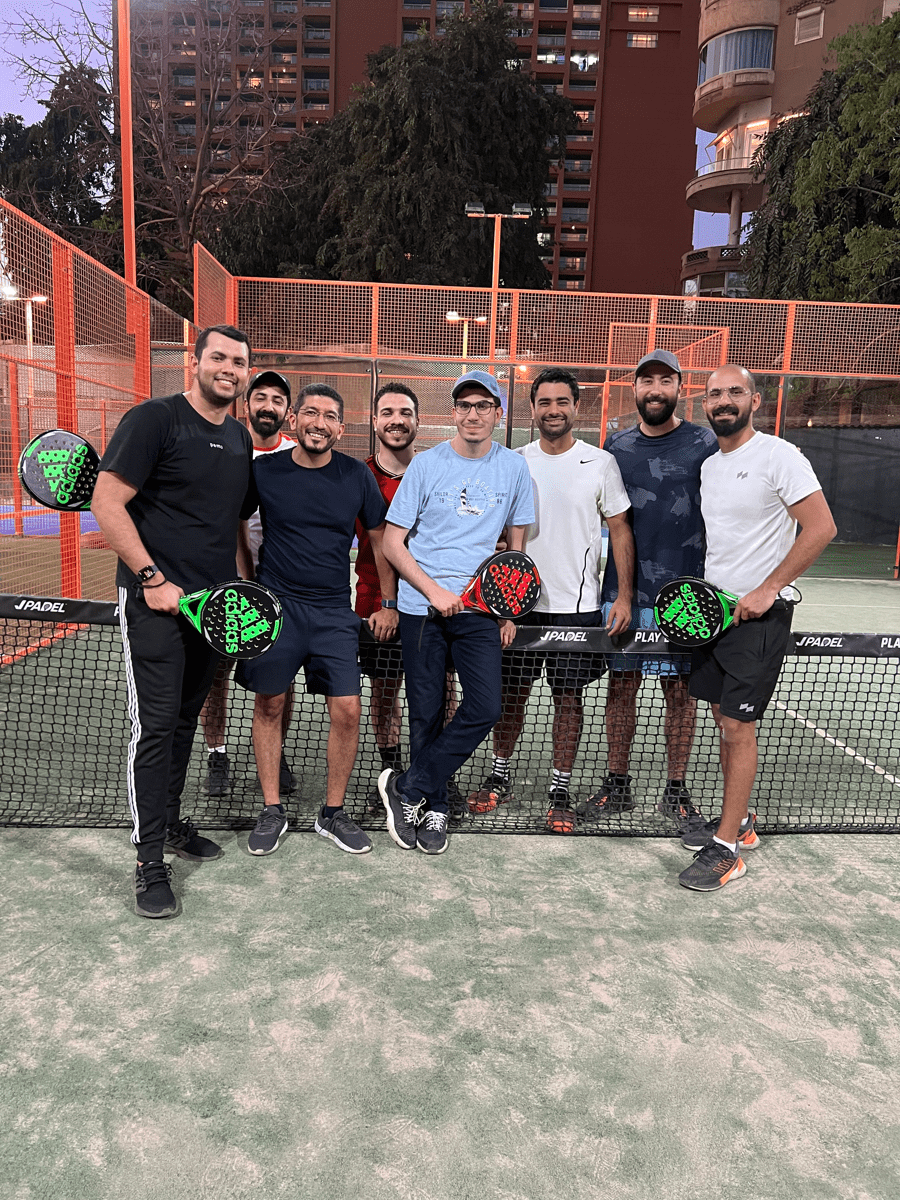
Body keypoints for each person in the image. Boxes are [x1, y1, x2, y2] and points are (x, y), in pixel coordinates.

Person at [91, 324, 258, 919]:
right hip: (153, 604)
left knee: (187, 720)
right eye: (219, 358)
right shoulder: (153, 420)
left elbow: (229, 526)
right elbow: (106, 500)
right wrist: (151, 579)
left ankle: (169, 822)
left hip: (211, 612)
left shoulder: (238, 437)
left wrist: (239, 592)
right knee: (156, 726)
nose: (229, 369)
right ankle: (148, 860)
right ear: (195, 361)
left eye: (238, 363)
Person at [678, 364, 835, 890]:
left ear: (756, 400)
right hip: (713, 616)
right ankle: (738, 825)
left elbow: (821, 527)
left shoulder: (779, 455)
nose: (724, 401)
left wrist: (769, 587)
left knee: (737, 727)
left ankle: (726, 849)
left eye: (735, 392)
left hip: (760, 617)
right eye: (715, 394)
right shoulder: (710, 466)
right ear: (704, 404)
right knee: (725, 721)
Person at [466, 367, 635, 833]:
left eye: (562, 401)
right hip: (515, 606)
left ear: (576, 408)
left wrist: (622, 595)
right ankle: (499, 777)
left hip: (577, 607)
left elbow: (619, 529)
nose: (554, 410)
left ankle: (560, 788)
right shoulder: (514, 460)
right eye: (545, 402)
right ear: (533, 408)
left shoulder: (599, 463)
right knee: (510, 696)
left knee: (568, 700)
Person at [379, 370, 535, 856]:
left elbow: (516, 543)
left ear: (497, 413)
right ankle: (436, 807)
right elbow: (392, 542)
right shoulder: (426, 465)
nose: (473, 414)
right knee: (426, 714)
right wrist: (431, 591)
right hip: (421, 609)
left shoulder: (513, 469)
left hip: (480, 612)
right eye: (464, 405)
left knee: (485, 706)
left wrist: (508, 607)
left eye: (482, 406)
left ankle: (410, 785)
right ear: (454, 412)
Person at [237, 383, 391, 857]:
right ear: (293, 422)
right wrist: (249, 588)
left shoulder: (355, 476)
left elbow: (381, 539)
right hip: (276, 607)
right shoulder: (263, 472)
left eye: (329, 416)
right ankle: (272, 808)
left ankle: (332, 812)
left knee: (347, 710)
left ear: (342, 428)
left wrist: (386, 601)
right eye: (309, 413)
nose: (318, 423)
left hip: (332, 612)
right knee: (269, 705)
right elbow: (236, 525)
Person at [579, 350, 719, 826]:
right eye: (646, 381)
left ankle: (676, 791)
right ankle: (617, 785)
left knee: (680, 693)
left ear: (681, 387)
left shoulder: (706, 442)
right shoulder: (615, 446)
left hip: (687, 596)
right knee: (621, 687)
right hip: (624, 594)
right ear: (634, 389)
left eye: (665, 380)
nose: (655, 389)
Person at [354, 382, 463, 819]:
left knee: (443, 690)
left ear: (418, 422)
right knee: (385, 690)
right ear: (375, 421)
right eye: (387, 412)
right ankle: (392, 773)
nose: (396, 420)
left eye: (405, 412)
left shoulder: (437, 470)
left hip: (435, 603)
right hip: (374, 605)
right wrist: (385, 600)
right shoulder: (359, 475)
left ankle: (437, 775)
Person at [200, 369, 296, 798]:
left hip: (281, 587)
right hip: (228, 584)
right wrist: (243, 576)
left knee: (279, 680)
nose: (268, 406)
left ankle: (274, 754)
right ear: (247, 404)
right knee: (214, 676)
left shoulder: (297, 454)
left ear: (287, 412)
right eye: (261, 397)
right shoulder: (228, 448)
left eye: (278, 400)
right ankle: (217, 754)